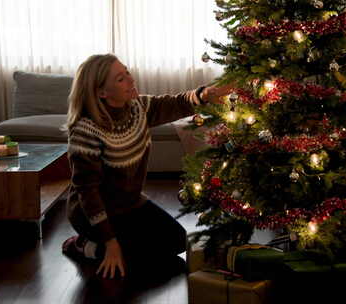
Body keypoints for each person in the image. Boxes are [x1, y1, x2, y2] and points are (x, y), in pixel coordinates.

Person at [62, 54, 228, 279]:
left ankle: (113, 244)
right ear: (102, 92)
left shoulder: (138, 108)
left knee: (177, 242)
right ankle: (87, 246)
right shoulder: (85, 131)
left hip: (129, 203)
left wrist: (205, 94)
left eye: (127, 72)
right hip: (93, 213)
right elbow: (87, 193)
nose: (131, 80)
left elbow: (176, 103)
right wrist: (109, 243)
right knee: (131, 254)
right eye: (120, 79)